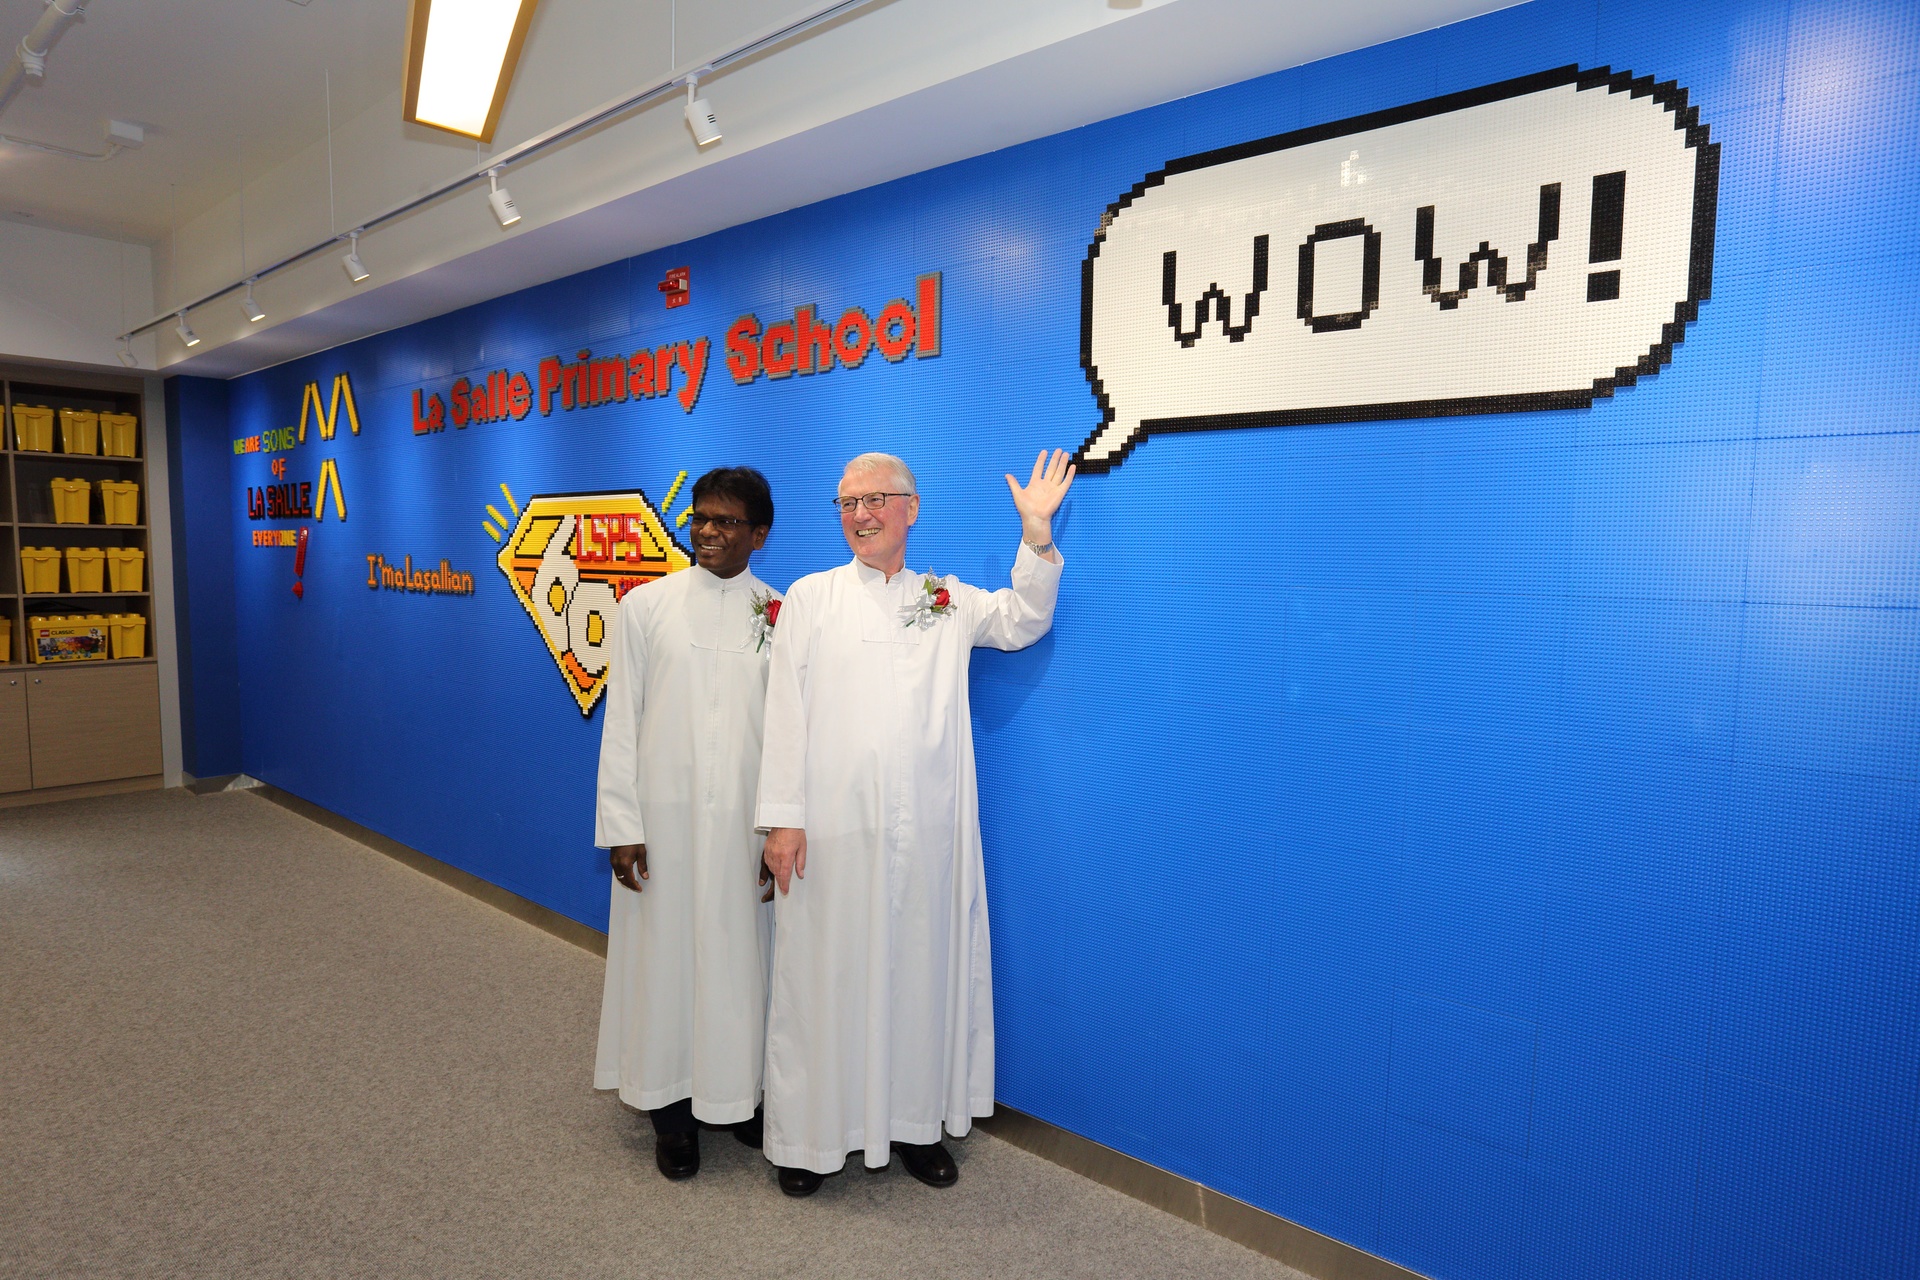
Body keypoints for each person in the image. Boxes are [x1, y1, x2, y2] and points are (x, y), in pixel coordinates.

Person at [756, 448, 1074, 1196]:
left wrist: (1036, 533)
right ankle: (808, 1139)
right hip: (830, 833)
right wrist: (782, 820)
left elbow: (1023, 619)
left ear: (911, 508)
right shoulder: (811, 597)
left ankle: (915, 1126)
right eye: (848, 503)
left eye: (875, 500)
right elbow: (784, 713)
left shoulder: (947, 599)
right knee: (822, 979)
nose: (861, 514)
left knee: (921, 976)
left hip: (929, 835)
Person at [593, 467, 782, 1180]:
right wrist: (622, 824)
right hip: (662, 821)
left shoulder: (781, 614)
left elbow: (790, 735)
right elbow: (622, 722)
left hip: (745, 824)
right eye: (700, 517)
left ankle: (738, 1097)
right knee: (664, 962)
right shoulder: (646, 607)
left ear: (758, 535)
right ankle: (669, 1110)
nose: (706, 531)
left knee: (741, 961)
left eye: (726, 521)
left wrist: (778, 827)